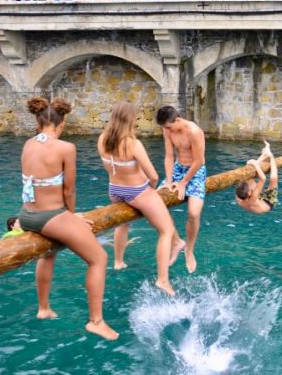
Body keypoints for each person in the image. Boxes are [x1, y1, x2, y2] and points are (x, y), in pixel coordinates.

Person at [18, 97, 118, 340]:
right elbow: (69, 190)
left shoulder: (28, 144)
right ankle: (96, 321)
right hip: (50, 217)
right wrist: (71, 218)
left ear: (39, 121)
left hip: (26, 215)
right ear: (60, 123)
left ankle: (44, 308)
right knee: (99, 258)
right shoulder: (66, 148)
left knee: (47, 253)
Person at [97, 102, 184, 295]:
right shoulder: (132, 143)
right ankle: (163, 280)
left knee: (123, 223)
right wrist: (150, 190)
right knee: (166, 231)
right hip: (135, 191)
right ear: (130, 119)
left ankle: (118, 261)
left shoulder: (102, 139)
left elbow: (110, 168)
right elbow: (153, 176)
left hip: (114, 189)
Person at [156, 106, 206, 274]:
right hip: (178, 169)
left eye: (168, 127)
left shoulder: (194, 131)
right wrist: (169, 181)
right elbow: (169, 156)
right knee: (154, 205)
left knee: (193, 213)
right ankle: (177, 242)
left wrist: (184, 182)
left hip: (196, 171)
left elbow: (199, 161)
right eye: (164, 128)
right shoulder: (167, 130)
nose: (166, 130)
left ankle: (189, 251)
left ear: (176, 120)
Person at [235, 142, 278, 214]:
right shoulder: (252, 198)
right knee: (273, 179)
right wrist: (255, 165)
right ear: (249, 193)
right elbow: (263, 178)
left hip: (258, 200)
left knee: (248, 177)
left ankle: (262, 157)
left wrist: (252, 164)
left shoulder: (238, 198)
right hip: (269, 202)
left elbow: (242, 185)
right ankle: (270, 155)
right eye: (250, 190)